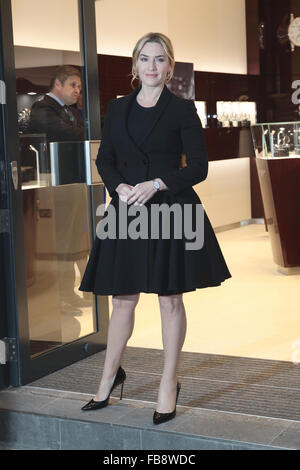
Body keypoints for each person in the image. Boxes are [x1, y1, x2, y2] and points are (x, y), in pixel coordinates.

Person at [79, 32, 231, 424]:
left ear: (169, 66)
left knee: (169, 299)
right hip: (127, 209)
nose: (151, 67)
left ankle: (169, 382)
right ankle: (109, 377)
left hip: (169, 209)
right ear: (134, 65)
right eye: (144, 59)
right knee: (122, 300)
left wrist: (158, 183)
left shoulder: (182, 110)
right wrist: (120, 186)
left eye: (159, 60)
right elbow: (105, 159)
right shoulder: (117, 108)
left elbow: (198, 167)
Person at [28, 65, 84, 142]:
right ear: (58, 84)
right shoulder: (41, 107)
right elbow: (64, 134)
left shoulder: (73, 111)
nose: (77, 91)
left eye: (79, 87)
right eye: (73, 85)